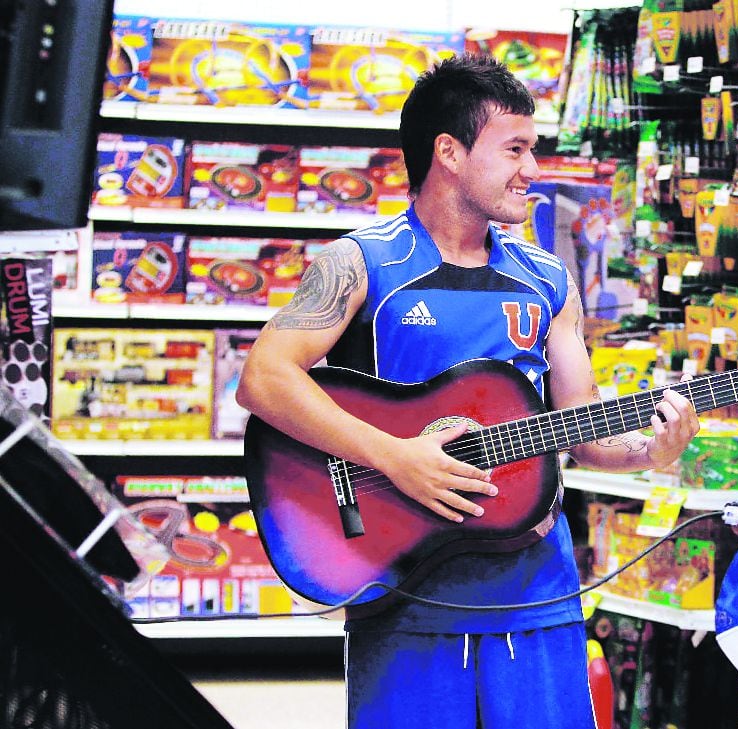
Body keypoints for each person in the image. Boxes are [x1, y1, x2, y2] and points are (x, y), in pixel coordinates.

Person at [235, 54, 700, 729]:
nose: (533, 170)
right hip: (402, 592)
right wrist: (395, 454)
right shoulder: (359, 263)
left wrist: (648, 452)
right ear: (448, 152)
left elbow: (586, 433)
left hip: (538, 595)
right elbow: (266, 376)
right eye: (514, 148)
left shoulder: (547, 278)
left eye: (532, 149)